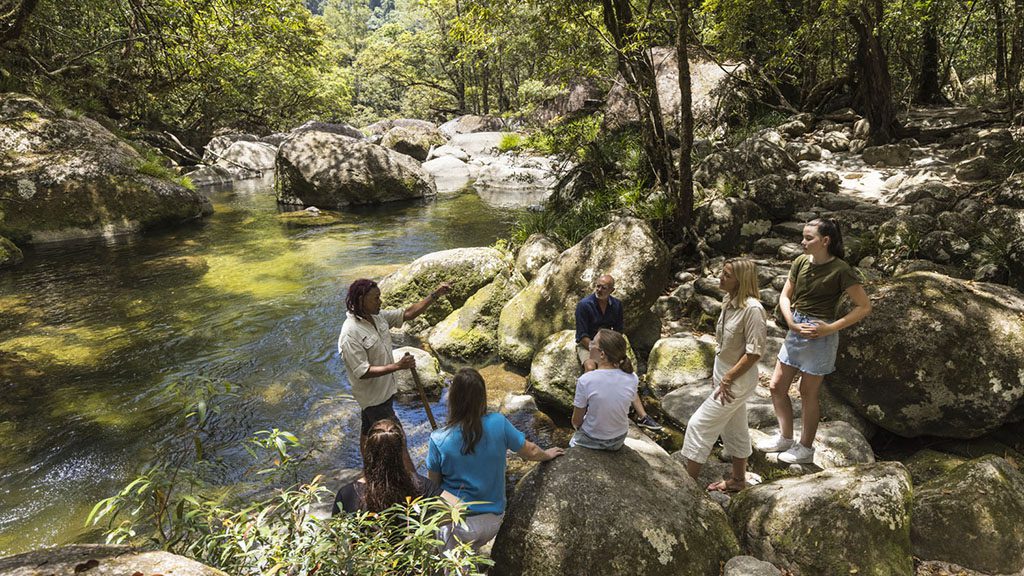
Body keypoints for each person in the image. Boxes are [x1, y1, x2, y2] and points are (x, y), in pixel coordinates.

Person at [755, 218, 872, 464]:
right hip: (796, 327)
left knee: (808, 392)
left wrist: (830, 328)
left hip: (822, 335)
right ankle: (785, 438)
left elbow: (864, 306)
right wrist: (790, 322)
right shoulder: (799, 262)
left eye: (809, 238)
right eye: (803, 236)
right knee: (776, 386)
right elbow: (785, 296)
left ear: (825, 241)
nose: (803, 241)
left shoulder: (841, 270)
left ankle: (805, 449)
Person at [427, 368, 564, 550]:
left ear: (453, 399)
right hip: (493, 521)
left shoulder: (438, 439)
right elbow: (530, 451)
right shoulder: (498, 422)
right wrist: (547, 454)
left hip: (458, 524)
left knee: (456, 564)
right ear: (482, 397)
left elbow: (433, 487)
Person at [337, 278, 451, 461]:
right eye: (375, 298)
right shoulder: (350, 333)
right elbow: (362, 371)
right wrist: (398, 366)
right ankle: (411, 480)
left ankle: (368, 468)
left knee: (368, 429)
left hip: (385, 391)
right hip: (374, 397)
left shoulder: (377, 317)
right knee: (398, 439)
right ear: (360, 300)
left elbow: (408, 313)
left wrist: (435, 295)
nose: (380, 301)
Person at [680, 258, 767, 492]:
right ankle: (738, 480)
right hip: (724, 375)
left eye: (727, 275)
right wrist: (718, 373)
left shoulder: (753, 310)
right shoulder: (729, 300)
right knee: (735, 427)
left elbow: (754, 353)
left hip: (737, 380)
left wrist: (727, 378)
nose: (721, 277)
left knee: (699, 425)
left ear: (741, 280)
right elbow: (724, 347)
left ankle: (687, 487)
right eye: (723, 273)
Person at [574, 274, 662, 431]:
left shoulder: (617, 305)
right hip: (589, 345)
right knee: (589, 368)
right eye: (598, 286)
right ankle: (589, 411)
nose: (599, 290)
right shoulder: (584, 305)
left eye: (604, 288)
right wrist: (598, 350)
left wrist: (612, 351)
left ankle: (643, 416)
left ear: (612, 290)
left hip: (609, 345)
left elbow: (619, 330)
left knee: (627, 372)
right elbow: (581, 336)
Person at [332, 418, 456, 514]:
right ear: (402, 452)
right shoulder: (419, 485)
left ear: (367, 451)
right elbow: (460, 508)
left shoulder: (347, 494)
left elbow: (336, 539)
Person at [570, 329, 640, 451]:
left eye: (593, 343)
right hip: (619, 439)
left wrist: (580, 428)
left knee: (572, 444)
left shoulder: (586, 380)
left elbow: (576, 421)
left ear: (602, 354)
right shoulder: (632, 377)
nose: (590, 344)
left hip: (592, 439)